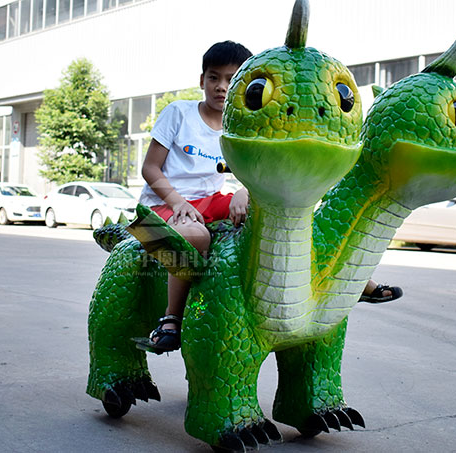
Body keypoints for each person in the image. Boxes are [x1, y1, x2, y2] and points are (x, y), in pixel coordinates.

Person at [138, 41, 401, 354]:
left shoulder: (237, 123)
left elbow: (254, 173)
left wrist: (244, 190)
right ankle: (171, 319)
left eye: (230, 79)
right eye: (213, 78)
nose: (221, 87)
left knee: (284, 211)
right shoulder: (178, 113)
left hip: (211, 202)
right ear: (201, 80)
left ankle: (358, 282)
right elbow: (150, 169)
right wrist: (178, 203)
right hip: (158, 207)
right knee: (195, 237)